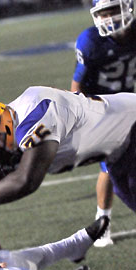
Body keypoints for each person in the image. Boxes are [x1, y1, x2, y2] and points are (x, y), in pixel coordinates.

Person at [0, 86, 136, 254]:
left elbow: (26, 181)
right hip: (118, 153)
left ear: (2, 131)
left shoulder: (37, 110)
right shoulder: (7, 133)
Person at [71, 0, 136, 247]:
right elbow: (78, 84)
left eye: (112, 11)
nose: (108, 18)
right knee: (109, 169)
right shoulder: (91, 41)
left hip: (129, 103)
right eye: (103, 13)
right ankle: (102, 223)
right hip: (101, 109)